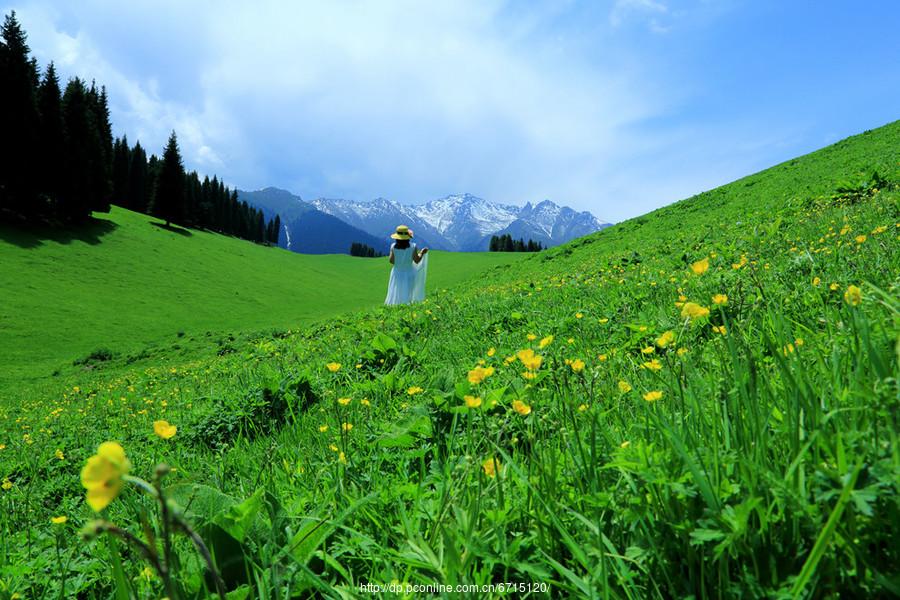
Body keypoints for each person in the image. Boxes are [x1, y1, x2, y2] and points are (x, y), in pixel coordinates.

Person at [385, 225, 428, 305]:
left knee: (396, 290)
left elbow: (391, 261)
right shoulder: (413, 246)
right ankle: (407, 305)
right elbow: (417, 260)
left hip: (397, 272)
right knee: (408, 291)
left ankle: (395, 306)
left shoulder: (393, 247)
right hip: (409, 272)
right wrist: (422, 252)